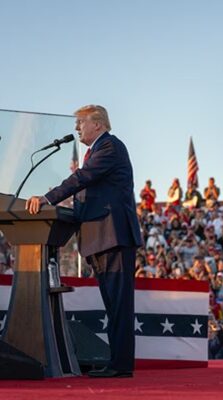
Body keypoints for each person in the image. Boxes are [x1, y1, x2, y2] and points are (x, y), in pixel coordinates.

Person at [25, 105, 142, 378]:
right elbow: (87, 190)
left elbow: (83, 178)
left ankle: (121, 365)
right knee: (113, 304)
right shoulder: (97, 151)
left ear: (98, 124)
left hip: (113, 236)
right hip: (100, 236)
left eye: (81, 122)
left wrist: (47, 198)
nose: (77, 127)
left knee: (119, 304)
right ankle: (118, 362)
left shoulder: (110, 147)